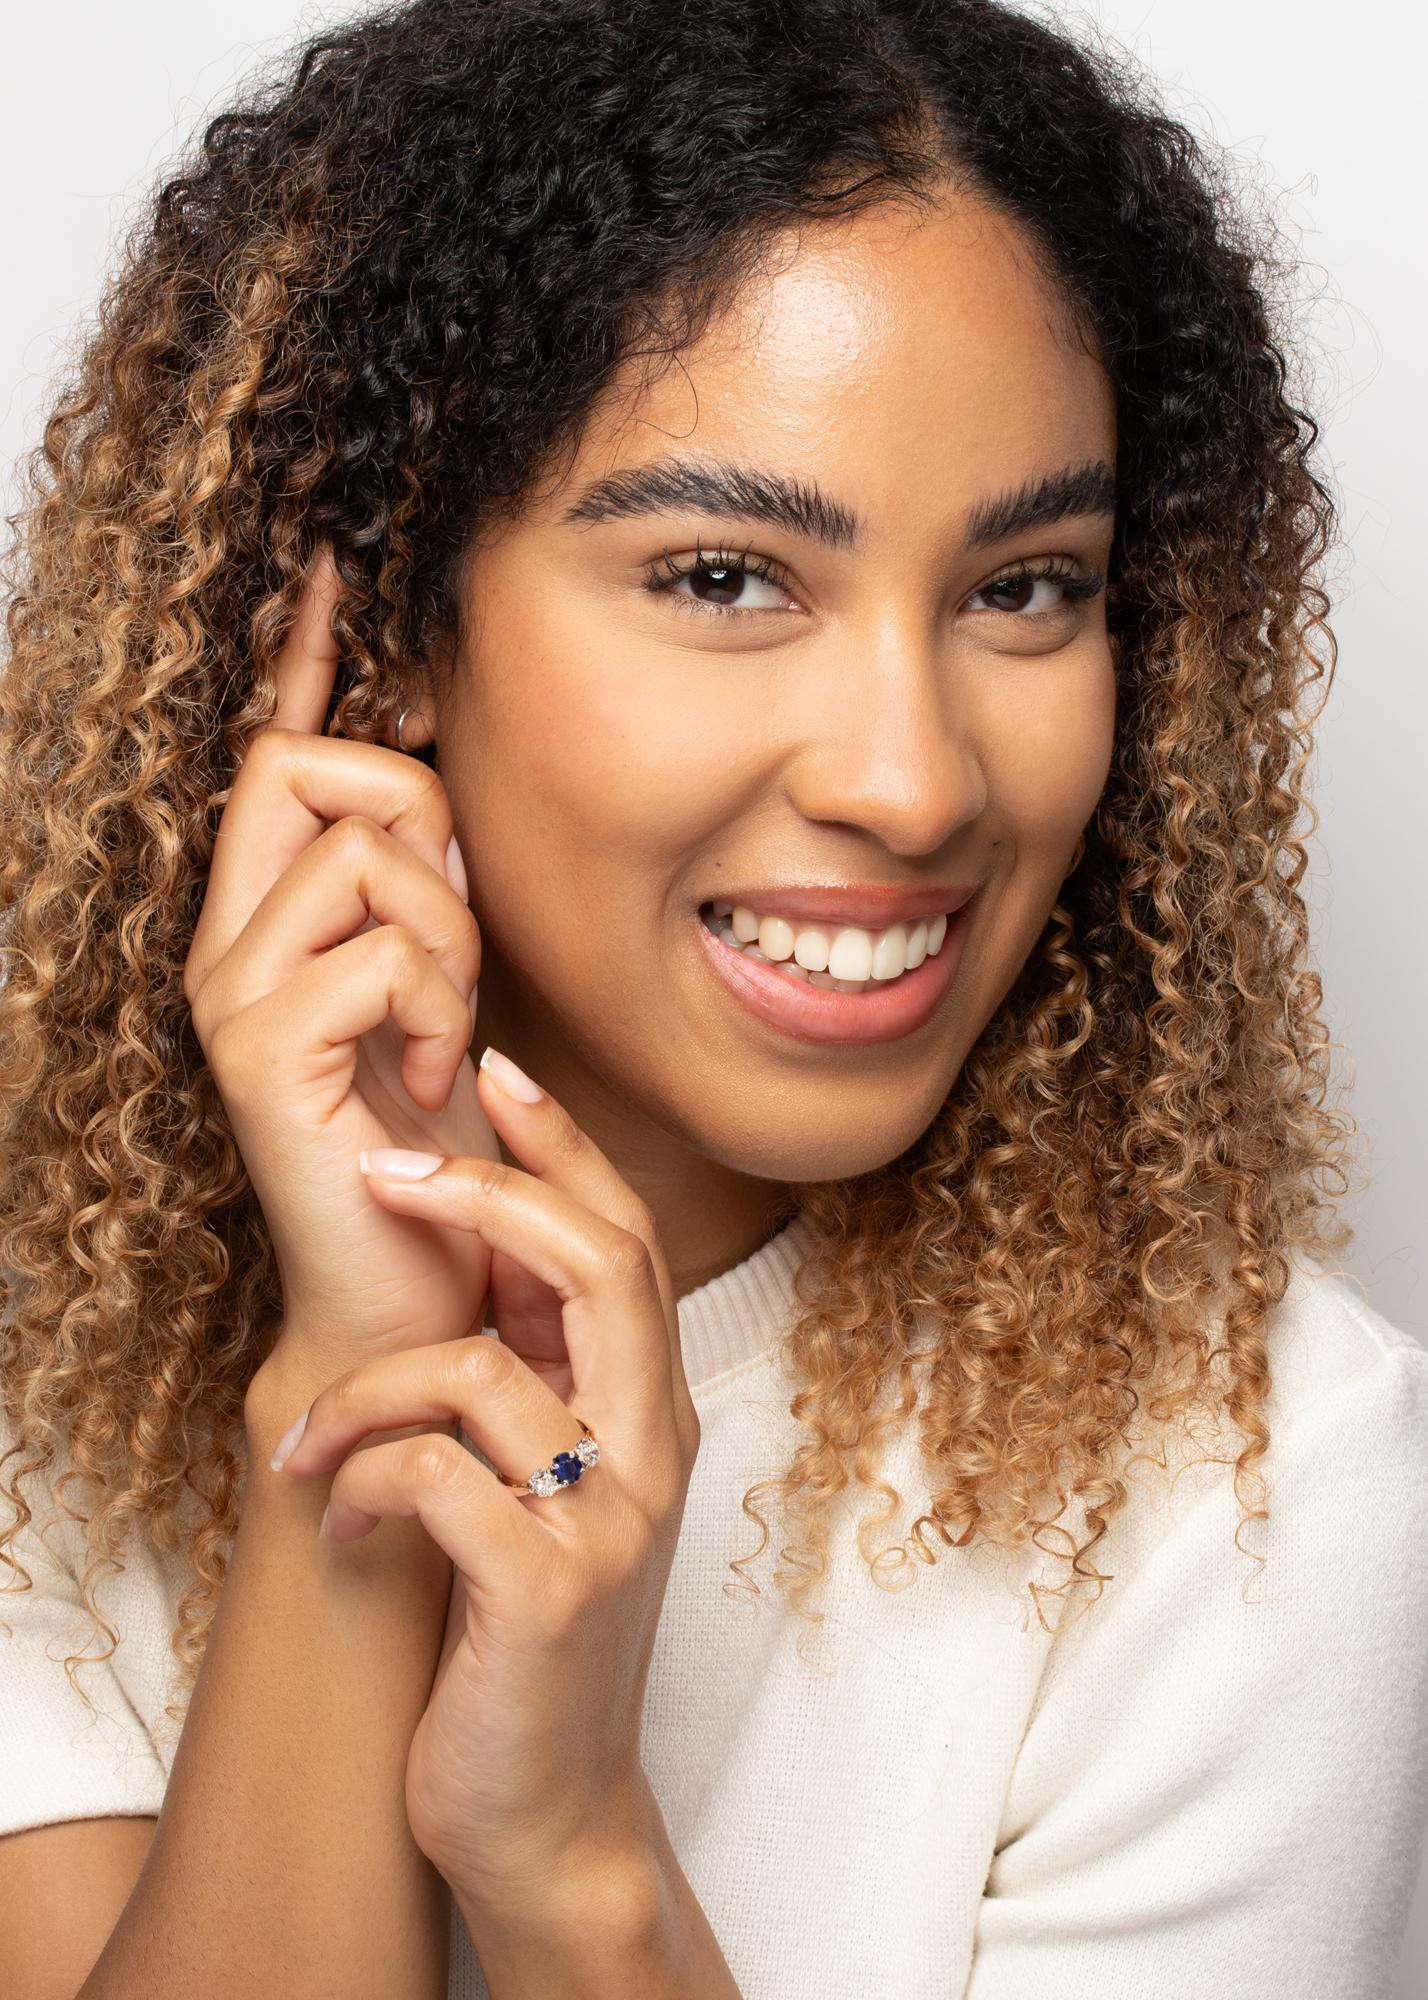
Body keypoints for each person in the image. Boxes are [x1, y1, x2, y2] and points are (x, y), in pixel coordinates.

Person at [1, 0, 1425, 1995]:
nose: (916, 778)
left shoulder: (1259, 1475)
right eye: (727, 576)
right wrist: (360, 1406)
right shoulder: (51, 1367)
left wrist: (576, 1861)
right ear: (380, 627)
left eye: (1026, 587)